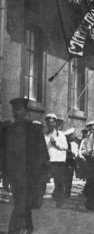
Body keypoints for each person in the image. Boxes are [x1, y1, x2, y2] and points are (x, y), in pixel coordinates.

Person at [0, 98, 49, 234]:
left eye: (19, 109)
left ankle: (21, 228)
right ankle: (21, 228)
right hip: (15, 174)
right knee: (20, 202)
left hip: (31, 174)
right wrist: (4, 176)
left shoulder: (34, 129)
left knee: (24, 202)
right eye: (14, 109)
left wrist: (45, 174)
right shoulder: (7, 130)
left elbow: (43, 152)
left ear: (25, 111)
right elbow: (3, 155)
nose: (16, 112)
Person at [44, 113, 68, 208]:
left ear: (55, 123)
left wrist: (56, 142)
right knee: (42, 180)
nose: (50, 124)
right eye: (48, 122)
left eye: (52, 122)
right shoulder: (45, 135)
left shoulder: (60, 134)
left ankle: (59, 201)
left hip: (58, 162)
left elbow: (65, 147)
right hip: (48, 161)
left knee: (59, 182)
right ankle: (38, 201)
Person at [64, 128, 79, 198]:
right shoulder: (66, 143)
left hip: (69, 163)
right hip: (68, 163)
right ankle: (67, 193)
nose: (72, 137)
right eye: (71, 135)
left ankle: (67, 192)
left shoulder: (69, 143)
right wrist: (71, 154)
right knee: (68, 178)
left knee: (68, 178)